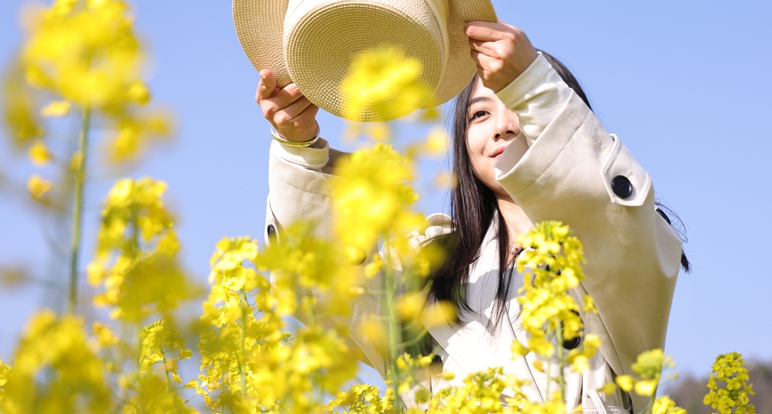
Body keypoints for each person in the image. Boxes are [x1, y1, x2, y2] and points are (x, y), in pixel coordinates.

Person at [255, 21, 686, 414]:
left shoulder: (621, 257)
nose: (502, 126)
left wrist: (534, 83)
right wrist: (298, 148)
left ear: (562, 120)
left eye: (519, 103)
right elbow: (324, 287)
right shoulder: (426, 267)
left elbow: (608, 214)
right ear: (462, 142)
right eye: (480, 114)